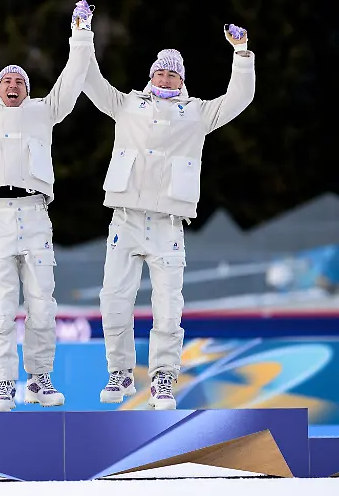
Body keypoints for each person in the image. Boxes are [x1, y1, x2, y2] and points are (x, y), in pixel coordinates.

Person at [83, 22, 255, 410]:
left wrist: (241, 54)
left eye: (173, 73)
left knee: (168, 306)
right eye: (160, 71)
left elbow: (239, 97)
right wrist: (83, 34)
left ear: (182, 79)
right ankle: (120, 370)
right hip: (125, 219)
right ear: (150, 76)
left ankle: (163, 378)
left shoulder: (197, 113)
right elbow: (90, 80)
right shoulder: (127, 104)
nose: (165, 77)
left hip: (168, 226)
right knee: (113, 300)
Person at [0, 0, 96, 411]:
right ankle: (3, 384)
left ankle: (40, 378)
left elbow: (73, 77)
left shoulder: (44, 111)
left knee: (43, 303)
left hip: (34, 215)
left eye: (20, 82)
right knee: (1, 307)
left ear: (28, 90)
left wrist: (81, 32)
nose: (13, 85)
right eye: (7, 81)